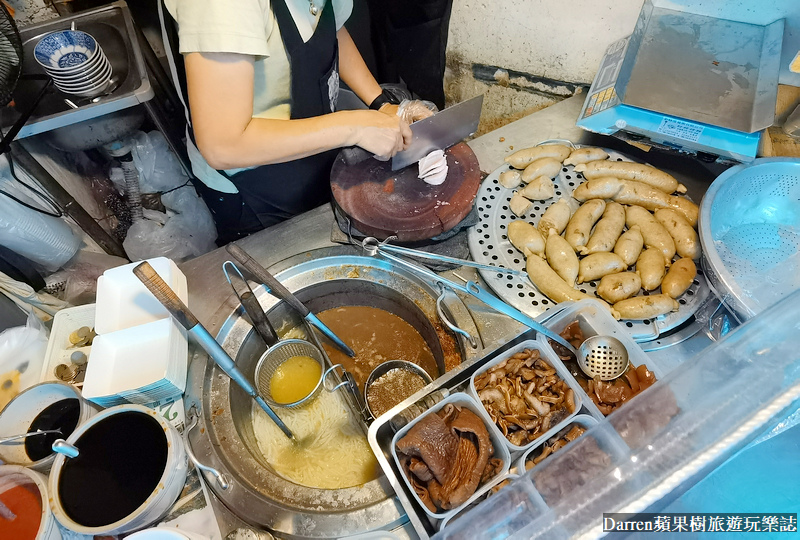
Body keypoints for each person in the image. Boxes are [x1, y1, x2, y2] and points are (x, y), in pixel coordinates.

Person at [162, 0, 434, 244]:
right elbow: (223, 145)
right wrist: (356, 126)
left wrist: (382, 104)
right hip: (252, 186)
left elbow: (332, 31)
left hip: (313, 154)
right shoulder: (221, 6)